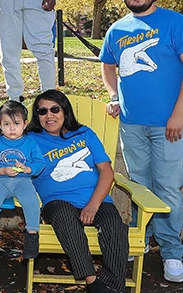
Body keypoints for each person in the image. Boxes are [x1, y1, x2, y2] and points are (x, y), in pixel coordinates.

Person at [100, 0, 183, 283]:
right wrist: (113, 95)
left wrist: (178, 113)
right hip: (132, 125)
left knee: (168, 188)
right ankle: (140, 241)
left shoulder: (175, 22)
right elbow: (107, 64)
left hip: (169, 124)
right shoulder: (117, 30)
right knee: (138, 187)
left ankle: (172, 252)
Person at [29, 90, 128, 293]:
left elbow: (107, 171)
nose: (49, 115)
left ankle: (113, 287)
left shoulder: (84, 134)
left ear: (65, 110)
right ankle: (92, 281)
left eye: (55, 109)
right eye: (42, 111)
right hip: (56, 202)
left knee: (113, 224)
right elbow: (7, 158)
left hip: (95, 199)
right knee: (65, 216)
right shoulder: (30, 140)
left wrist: (93, 205)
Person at [0, 100, 44, 261]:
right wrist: (1, 170)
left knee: (31, 202)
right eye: (7, 124)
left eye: (16, 123)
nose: (12, 128)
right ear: (0, 125)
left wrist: (28, 168)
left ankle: (32, 235)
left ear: (25, 124)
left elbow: (40, 162)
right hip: (0, 181)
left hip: (23, 181)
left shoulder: (30, 143)